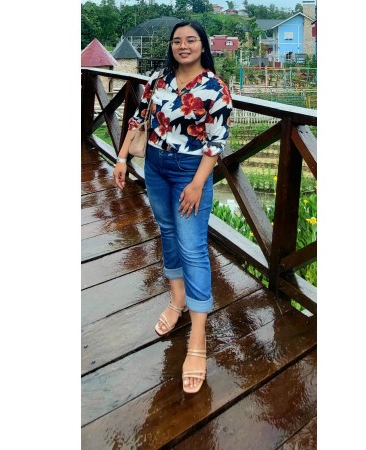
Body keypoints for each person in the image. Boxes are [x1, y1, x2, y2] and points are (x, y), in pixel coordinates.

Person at [113, 21, 232, 394]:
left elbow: (216, 142)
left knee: (193, 246)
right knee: (166, 231)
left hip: (189, 172)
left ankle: (198, 335)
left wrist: (197, 184)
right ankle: (177, 299)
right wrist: (122, 157)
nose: (183, 46)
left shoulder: (215, 88)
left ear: (202, 46)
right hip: (155, 165)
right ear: (171, 46)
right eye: (177, 41)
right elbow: (138, 118)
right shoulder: (159, 80)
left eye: (191, 40)